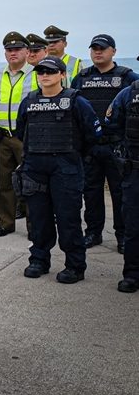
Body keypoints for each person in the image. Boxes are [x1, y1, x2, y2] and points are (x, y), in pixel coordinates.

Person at [18, 56, 101, 284]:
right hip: (35, 167)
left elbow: (92, 135)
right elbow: (21, 132)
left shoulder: (76, 101)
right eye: (41, 71)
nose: (44, 75)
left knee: (68, 219)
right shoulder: (29, 101)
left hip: (66, 168)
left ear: (62, 75)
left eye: (50, 71)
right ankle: (39, 260)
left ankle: (74, 265)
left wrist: (75, 158)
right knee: (39, 218)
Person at [71, 34, 139, 251]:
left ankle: (122, 235)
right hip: (90, 145)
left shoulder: (128, 77)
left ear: (114, 51)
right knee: (90, 192)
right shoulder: (81, 78)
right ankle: (93, 233)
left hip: (117, 145)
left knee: (121, 193)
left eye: (102, 48)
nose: (98, 52)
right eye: (94, 48)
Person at [0, 32, 39, 237]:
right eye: (9, 50)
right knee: (5, 183)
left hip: (27, 137)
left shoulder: (37, 74)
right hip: (2, 137)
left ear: (27, 51)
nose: (13, 53)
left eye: (17, 49)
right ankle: (6, 223)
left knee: (31, 184)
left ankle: (33, 226)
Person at [104, 65, 139, 292]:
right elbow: (112, 124)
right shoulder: (129, 93)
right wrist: (122, 151)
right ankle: (132, 274)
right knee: (133, 224)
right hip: (134, 169)